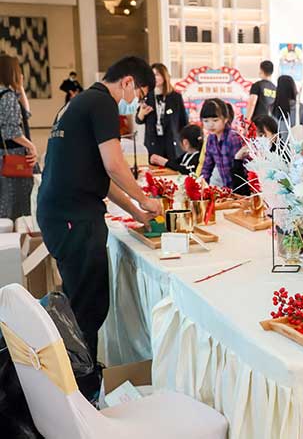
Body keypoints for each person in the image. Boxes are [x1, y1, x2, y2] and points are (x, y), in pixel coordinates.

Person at [37, 56, 163, 362]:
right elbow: (114, 165)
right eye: (140, 95)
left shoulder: (81, 102)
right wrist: (145, 199)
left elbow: (100, 177)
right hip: (73, 216)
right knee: (87, 308)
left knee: (82, 302)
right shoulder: (103, 103)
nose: (137, 102)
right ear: (128, 82)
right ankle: (81, 380)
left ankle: (78, 372)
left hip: (60, 213)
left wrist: (136, 212)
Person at [0, 55, 38, 220]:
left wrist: (20, 87)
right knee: (15, 203)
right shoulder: (7, 96)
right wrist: (31, 146)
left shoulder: (5, 94)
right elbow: (11, 131)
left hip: (3, 155)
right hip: (12, 155)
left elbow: (25, 114)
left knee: (6, 201)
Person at [138, 63, 188, 162]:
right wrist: (142, 113)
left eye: (157, 75)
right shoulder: (147, 96)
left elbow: (183, 122)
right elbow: (138, 120)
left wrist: (184, 142)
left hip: (172, 144)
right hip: (153, 144)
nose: (154, 78)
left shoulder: (175, 97)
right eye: (152, 75)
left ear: (164, 76)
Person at [200, 98, 243, 188]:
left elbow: (240, 168)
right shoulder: (211, 139)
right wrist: (201, 185)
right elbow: (207, 167)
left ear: (226, 119)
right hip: (226, 187)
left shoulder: (233, 137)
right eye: (206, 121)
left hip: (240, 187)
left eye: (215, 120)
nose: (210, 125)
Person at [231, 114, 278, 195]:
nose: (257, 139)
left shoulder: (280, 160)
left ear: (274, 137)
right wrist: (238, 159)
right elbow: (240, 193)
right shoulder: (249, 160)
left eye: (262, 135)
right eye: (254, 136)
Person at [271, 75, 303, 140]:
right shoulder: (299, 108)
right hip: (297, 145)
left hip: (278, 145)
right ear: (293, 88)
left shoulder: (271, 109)